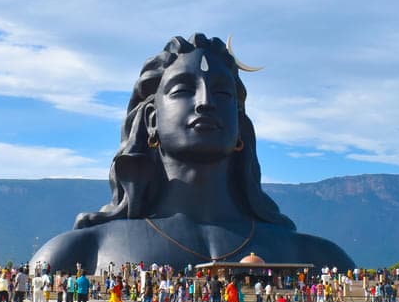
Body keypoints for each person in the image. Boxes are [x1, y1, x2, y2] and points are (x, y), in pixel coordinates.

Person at [31, 34, 355, 272]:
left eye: (222, 92)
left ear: (240, 124)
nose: (204, 101)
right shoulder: (77, 252)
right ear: (152, 120)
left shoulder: (316, 257)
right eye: (183, 89)